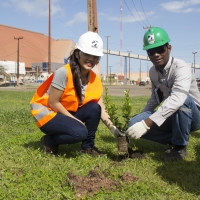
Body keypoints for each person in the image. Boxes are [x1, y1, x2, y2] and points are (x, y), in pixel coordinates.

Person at [30, 31, 123, 156]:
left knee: (95, 108)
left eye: (95, 56)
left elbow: (101, 109)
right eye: (87, 54)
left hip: (65, 113)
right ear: (77, 54)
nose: (91, 59)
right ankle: (49, 141)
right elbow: (53, 102)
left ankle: (87, 148)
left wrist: (114, 130)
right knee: (79, 133)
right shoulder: (63, 72)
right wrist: (75, 120)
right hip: (49, 114)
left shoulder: (94, 78)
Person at [125, 27, 200, 161]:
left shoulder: (182, 68)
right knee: (133, 122)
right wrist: (140, 120)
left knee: (182, 100)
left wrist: (146, 124)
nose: (156, 54)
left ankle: (179, 148)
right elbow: (155, 98)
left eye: (160, 49)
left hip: (193, 115)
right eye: (151, 51)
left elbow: (178, 98)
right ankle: (174, 137)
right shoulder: (153, 72)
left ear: (169, 48)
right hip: (172, 115)